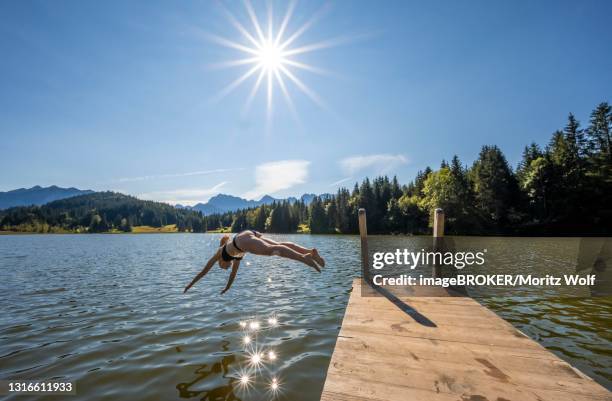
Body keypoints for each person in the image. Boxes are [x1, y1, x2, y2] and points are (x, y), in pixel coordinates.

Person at [184, 230, 325, 294]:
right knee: (278, 244)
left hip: (242, 240)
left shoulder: (220, 252)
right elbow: (233, 275)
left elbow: (204, 271)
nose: (225, 268)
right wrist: (227, 288)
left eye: (222, 267)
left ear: (220, 262)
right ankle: (310, 252)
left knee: (272, 250)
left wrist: (189, 285)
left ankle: (304, 258)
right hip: (246, 234)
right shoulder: (236, 256)